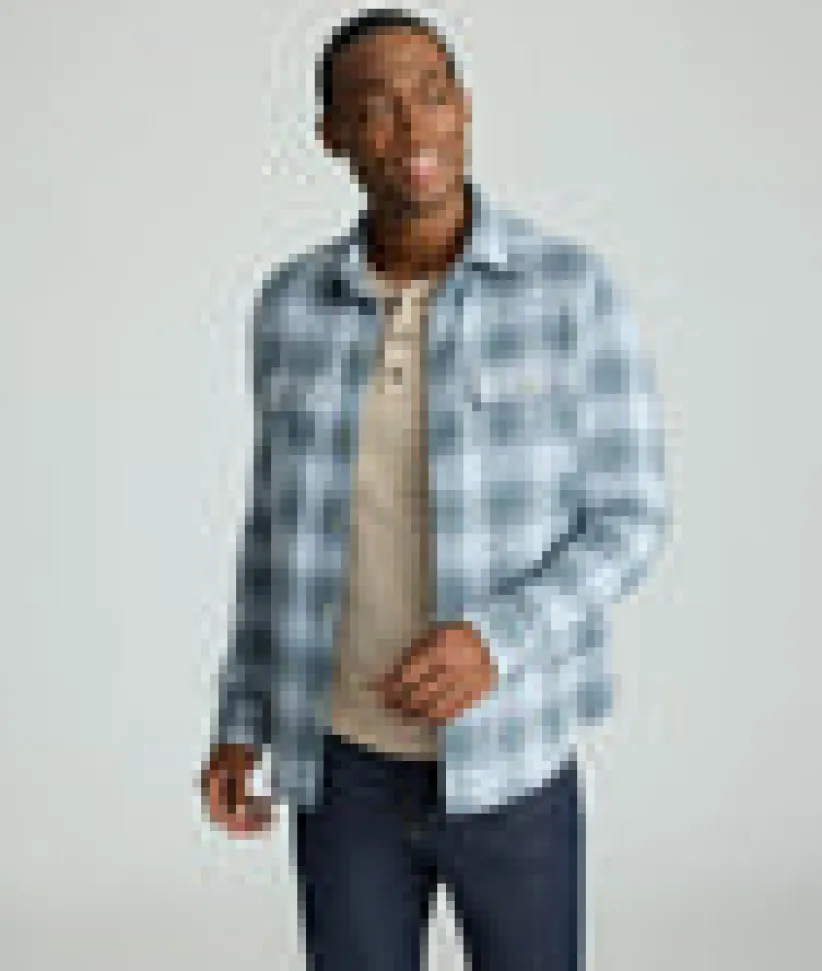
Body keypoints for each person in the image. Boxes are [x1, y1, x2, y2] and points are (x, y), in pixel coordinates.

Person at [200, 8, 668, 970]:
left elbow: (631, 519)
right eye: (376, 107)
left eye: (432, 94)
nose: (413, 127)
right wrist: (241, 722)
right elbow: (272, 535)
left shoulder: (570, 289)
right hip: (343, 770)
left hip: (513, 758)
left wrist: (496, 639)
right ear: (332, 134)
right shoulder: (291, 305)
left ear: (465, 107)